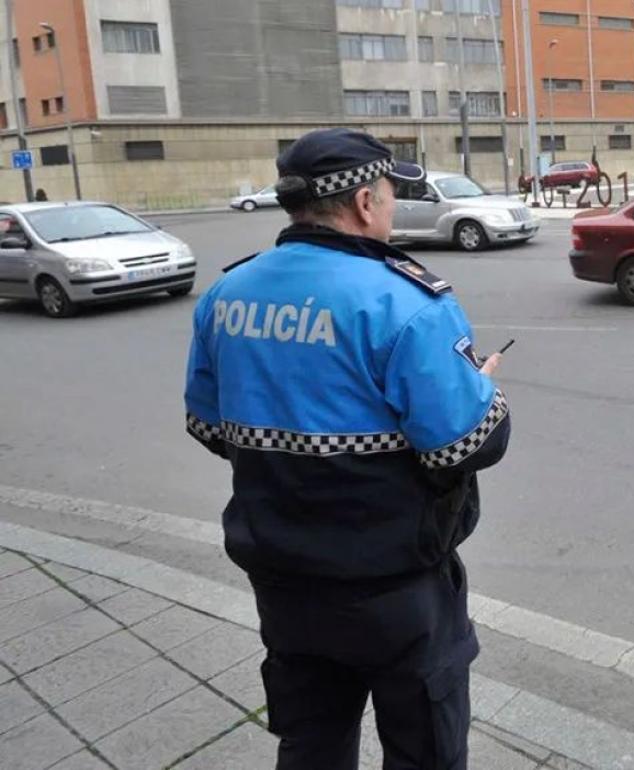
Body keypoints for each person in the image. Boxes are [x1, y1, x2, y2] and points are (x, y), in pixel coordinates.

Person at [183, 127, 511, 770]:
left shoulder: (228, 294)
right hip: (393, 586)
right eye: (390, 193)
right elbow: (466, 446)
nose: (391, 206)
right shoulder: (404, 300)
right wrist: (479, 388)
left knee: (310, 742)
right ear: (365, 201)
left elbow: (209, 428)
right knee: (424, 750)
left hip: (280, 574)